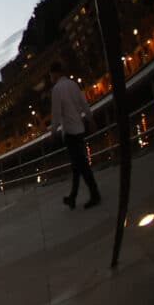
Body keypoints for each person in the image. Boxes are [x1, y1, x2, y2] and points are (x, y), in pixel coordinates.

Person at [50, 63, 101, 209]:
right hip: (79, 128)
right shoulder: (73, 84)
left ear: (55, 74)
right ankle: (72, 196)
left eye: (51, 75)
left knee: (81, 165)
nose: (50, 78)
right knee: (77, 165)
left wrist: (53, 132)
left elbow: (56, 114)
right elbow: (84, 103)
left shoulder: (57, 89)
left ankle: (94, 193)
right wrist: (91, 120)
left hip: (70, 132)